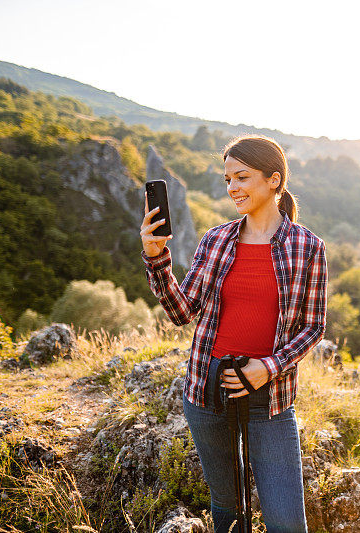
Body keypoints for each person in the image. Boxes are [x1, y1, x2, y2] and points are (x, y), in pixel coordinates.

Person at [140, 134, 327, 533]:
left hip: (270, 398)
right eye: (228, 180)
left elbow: (313, 326)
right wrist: (157, 259)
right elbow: (181, 311)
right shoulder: (216, 239)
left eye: (241, 177)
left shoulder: (307, 246)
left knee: (288, 523)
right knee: (226, 509)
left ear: (274, 179)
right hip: (207, 390)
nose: (232, 188)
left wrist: (269, 367)